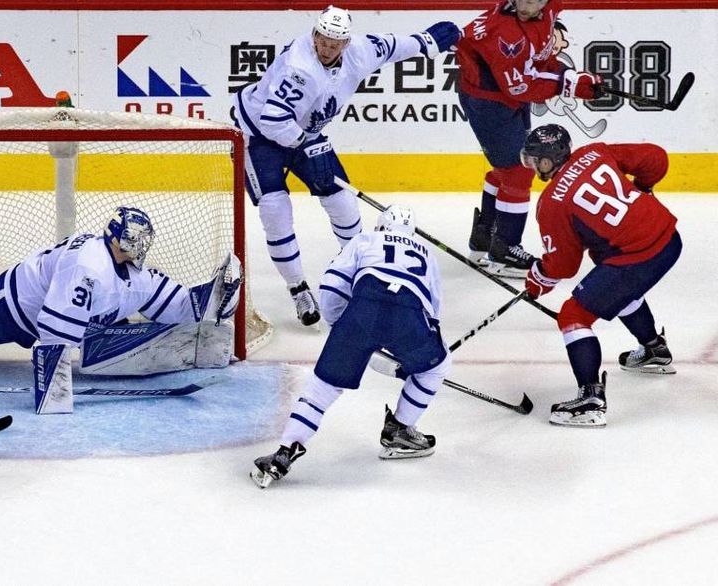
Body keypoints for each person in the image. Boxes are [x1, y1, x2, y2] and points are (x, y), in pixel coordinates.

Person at [232, 6, 461, 325]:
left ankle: (359, 271)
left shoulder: (360, 51)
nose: (326, 48)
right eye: (322, 40)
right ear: (315, 35)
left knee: (342, 200)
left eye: (334, 43)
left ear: (346, 43)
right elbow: (273, 121)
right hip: (259, 135)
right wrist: (307, 147)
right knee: (275, 209)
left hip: (304, 134)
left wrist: (425, 41)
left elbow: (392, 47)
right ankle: (298, 288)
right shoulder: (299, 67)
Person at [0, 206, 243, 414]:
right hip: (17, 305)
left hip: (70, 310)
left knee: (116, 321)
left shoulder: (136, 274)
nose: (141, 247)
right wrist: (52, 392)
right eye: (134, 240)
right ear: (116, 238)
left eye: (144, 240)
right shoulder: (87, 266)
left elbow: (181, 307)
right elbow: (54, 335)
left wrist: (215, 298)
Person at [251, 205, 450, 488]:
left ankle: (284, 453)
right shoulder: (426, 252)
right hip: (408, 316)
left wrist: (341, 328)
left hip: (360, 312)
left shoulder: (365, 239)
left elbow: (332, 287)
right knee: (437, 367)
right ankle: (400, 429)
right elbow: (433, 310)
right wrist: (417, 356)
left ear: (381, 225)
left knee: (321, 389)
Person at [520, 124, 680, 427]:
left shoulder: (552, 203)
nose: (531, 165)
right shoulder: (594, 152)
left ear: (548, 160)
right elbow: (656, 158)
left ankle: (590, 400)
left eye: (535, 159)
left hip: (638, 257)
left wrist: (539, 277)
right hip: (669, 239)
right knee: (612, 279)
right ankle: (653, 349)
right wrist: (643, 189)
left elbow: (564, 265)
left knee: (572, 315)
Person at [457, 0, 601, 278]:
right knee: (519, 171)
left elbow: (538, 61)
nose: (525, 6)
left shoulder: (548, 10)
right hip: (491, 103)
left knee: (507, 169)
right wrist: (572, 84)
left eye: (533, 1)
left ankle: (485, 236)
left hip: (504, 99)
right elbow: (521, 85)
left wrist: (569, 76)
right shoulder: (506, 34)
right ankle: (506, 250)